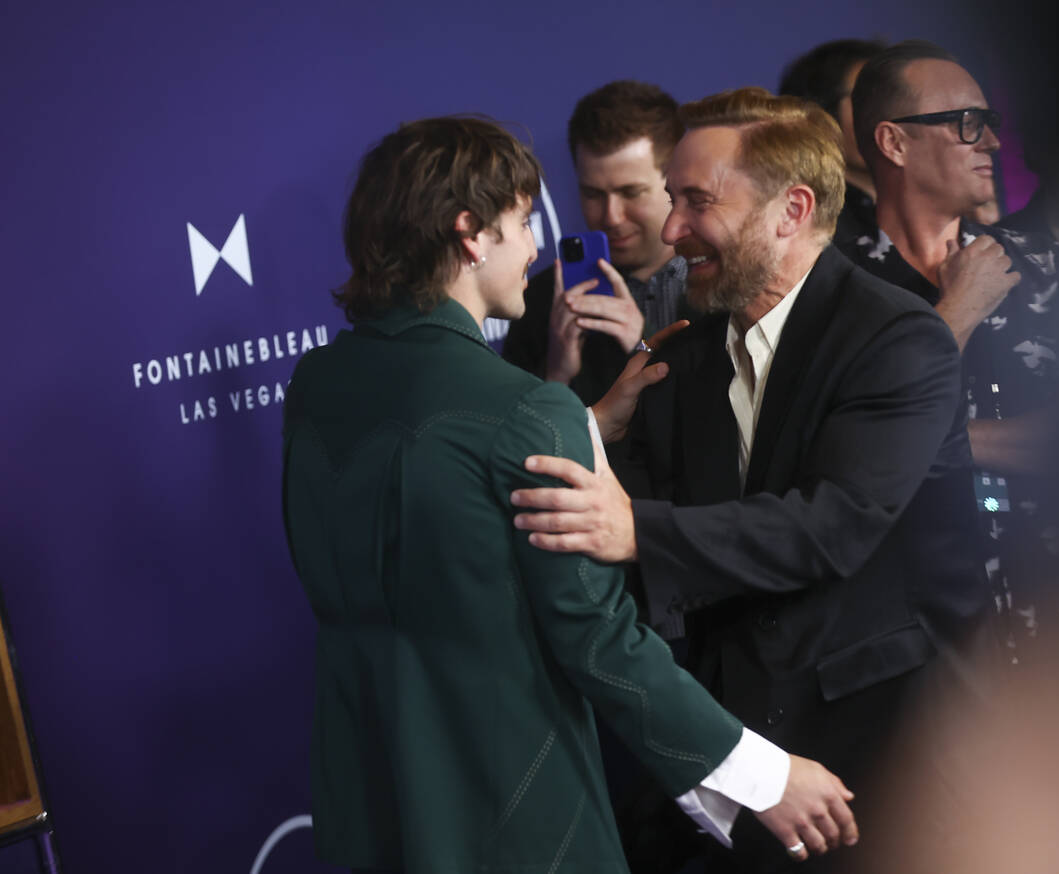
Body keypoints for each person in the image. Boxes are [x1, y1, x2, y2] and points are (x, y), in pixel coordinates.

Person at [281, 116, 858, 874]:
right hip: (506, 805)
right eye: (522, 222)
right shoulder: (524, 409)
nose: (534, 248)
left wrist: (579, 426)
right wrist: (763, 777)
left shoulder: (319, 382)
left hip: (368, 792)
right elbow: (598, 639)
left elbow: (433, 495)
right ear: (470, 233)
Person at [510, 88, 989, 873]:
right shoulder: (685, 349)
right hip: (739, 776)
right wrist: (594, 427)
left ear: (791, 210)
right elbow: (622, 507)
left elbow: (833, 524)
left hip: (890, 769)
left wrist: (639, 531)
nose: (670, 230)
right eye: (672, 200)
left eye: (696, 201)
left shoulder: (897, 338)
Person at [847, 40, 1059, 658]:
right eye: (966, 124)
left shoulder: (1041, 267)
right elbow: (849, 466)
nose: (991, 143)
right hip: (910, 644)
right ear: (894, 143)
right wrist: (953, 315)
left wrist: (940, 440)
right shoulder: (835, 292)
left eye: (989, 124)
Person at [503, 81, 698, 405]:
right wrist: (556, 375)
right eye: (593, 194)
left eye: (631, 192)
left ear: (675, 181)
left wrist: (643, 345)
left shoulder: (725, 286)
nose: (611, 217)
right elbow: (515, 444)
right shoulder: (539, 301)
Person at [779, 38, 887, 249]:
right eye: (873, 97)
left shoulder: (933, 209)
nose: (894, 115)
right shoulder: (805, 224)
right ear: (822, 115)